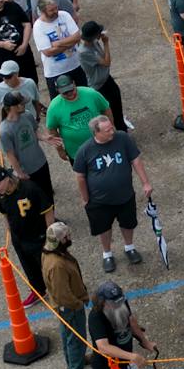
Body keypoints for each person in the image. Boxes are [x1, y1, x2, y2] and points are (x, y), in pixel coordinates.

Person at [72, 112, 151, 273]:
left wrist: (145, 182)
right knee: (104, 228)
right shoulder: (85, 150)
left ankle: (129, 247)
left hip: (125, 195)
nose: (112, 131)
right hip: (99, 201)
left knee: (128, 223)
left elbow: (135, 160)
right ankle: (107, 254)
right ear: (96, 132)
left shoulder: (123, 138)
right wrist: (85, 198)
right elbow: (80, 176)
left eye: (111, 128)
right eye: (107, 130)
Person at [41, 222, 93, 369]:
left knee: (68, 337)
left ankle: (76, 360)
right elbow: (63, 295)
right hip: (70, 307)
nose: (69, 238)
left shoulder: (52, 254)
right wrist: (78, 303)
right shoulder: (57, 265)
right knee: (76, 340)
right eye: (66, 237)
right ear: (58, 241)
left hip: (67, 306)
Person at [0, 165, 50, 300]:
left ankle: (63, 291)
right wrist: (10, 232)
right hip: (19, 238)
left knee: (49, 266)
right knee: (29, 267)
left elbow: (48, 209)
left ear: (7, 179)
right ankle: (38, 290)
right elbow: (4, 213)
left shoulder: (29, 189)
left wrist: (51, 235)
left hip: (37, 236)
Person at [0, 86, 56, 204]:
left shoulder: (27, 115)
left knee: (48, 194)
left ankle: (51, 219)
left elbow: (34, 131)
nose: (24, 105)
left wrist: (45, 137)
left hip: (40, 162)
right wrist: (19, 173)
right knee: (35, 199)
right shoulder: (4, 130)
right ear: (12, 107)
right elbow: (10, 155)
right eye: (21, 104)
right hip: (26, 171)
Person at [46, 74, 111, 164]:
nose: (69, 94)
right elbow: (52, 129)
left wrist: (111, 128)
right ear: (58, 91)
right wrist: (60, 150)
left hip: (102, 144)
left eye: (71, 90)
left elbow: (106, 108)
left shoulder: (91, 94)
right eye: (65, 92)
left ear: (74, 84)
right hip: (77, 153)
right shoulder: (54, 107)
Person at [33, 0, 85, 100]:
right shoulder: (38, 27)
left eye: (56, 8)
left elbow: (77, 37)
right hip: (55, 72)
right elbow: (48, 52)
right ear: (43, 11)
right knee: (59, 100)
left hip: (76, 65)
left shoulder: (64, 15)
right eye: (51, 10)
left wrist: (56, 44)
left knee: (83, 95)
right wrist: (70, 42)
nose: (56, 11)